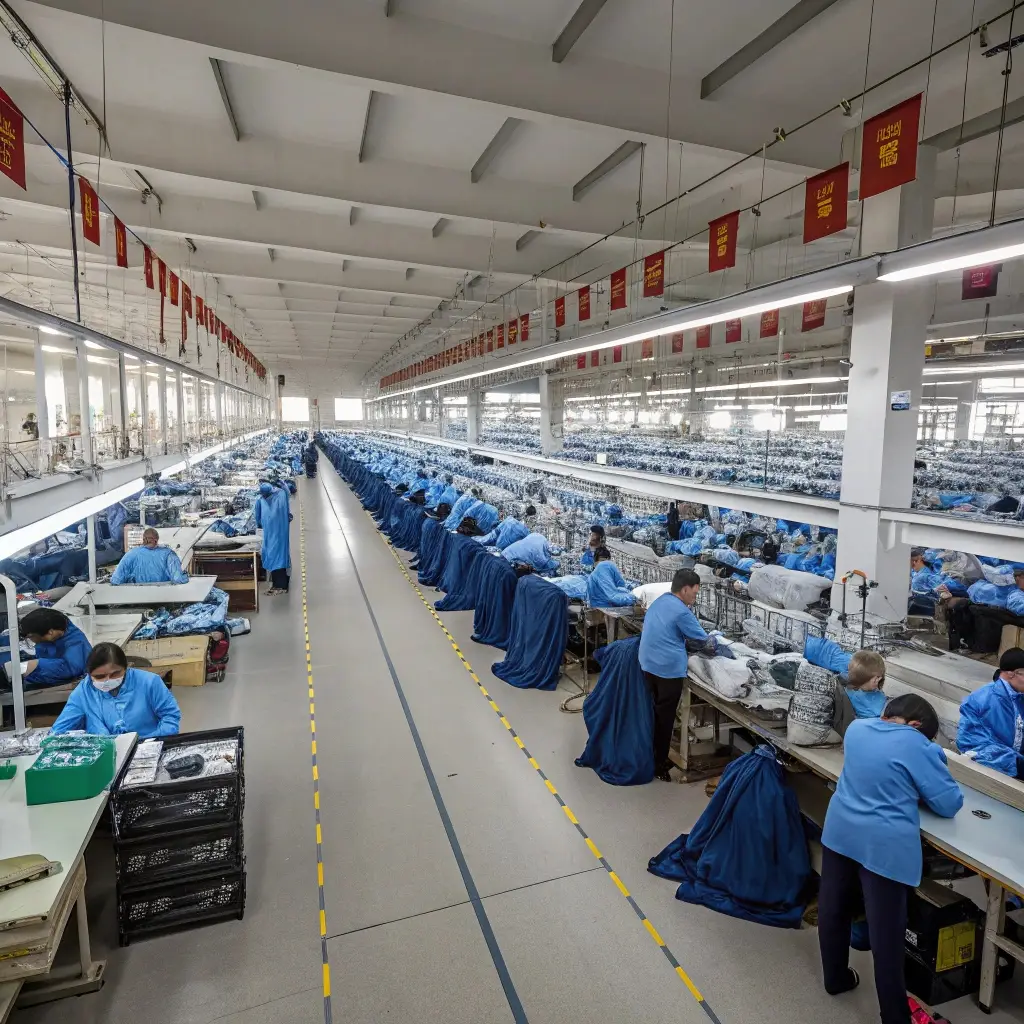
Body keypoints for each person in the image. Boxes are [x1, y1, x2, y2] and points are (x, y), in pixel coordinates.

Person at [818, 694, 963, 1024]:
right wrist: (931, 755)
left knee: (833, 909)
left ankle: (836, 979)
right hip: (883, 849)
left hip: (841, 832)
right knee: (887, 937)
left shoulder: (857, 729)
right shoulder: (916, 745)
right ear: (915, 726)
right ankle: (895, 1018)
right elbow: (949, 803)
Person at [638, 568, 710, 781]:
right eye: (695, 594)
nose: (695, 599)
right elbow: (703, 640)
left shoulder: (660, 601)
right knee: (665, 718)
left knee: (653, 712)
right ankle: (659, 764)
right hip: (667, 670)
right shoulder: (682, 611)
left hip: (648, 663)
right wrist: (718, 642)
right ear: (685, 589)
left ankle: (648, 752)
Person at [50, 642, 181, 739]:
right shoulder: (83, 693)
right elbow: (59, 730)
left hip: (148, 744)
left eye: (115, 674)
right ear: (89, 674)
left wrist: (154, 740)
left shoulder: (149, 682)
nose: (107, 680)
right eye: (99, 677)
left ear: (126, 667)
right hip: (105, 753)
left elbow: (170, 716)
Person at [956, 646, 1024, 777]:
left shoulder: (1020, 696)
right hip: (992, 771)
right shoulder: (979, 701)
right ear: (1011, 674)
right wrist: (1016, 763)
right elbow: (973, 746)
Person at [16, 608, 92, 689]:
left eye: (31, 636)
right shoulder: (53, 630)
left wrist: (37, 665)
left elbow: (69, 669)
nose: (32, 640)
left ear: (50, 632)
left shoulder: (76, 644)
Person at [110, 528, 189, 585]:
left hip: (137, 599)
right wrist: (185, 575)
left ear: (143, 539)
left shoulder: (131, 554)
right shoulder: (169, 554)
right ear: (157, 539)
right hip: (163, 598)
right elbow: (178, 579)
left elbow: (116, 580)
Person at [255, 480, 291, 595]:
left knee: (273, 557)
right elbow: (287, 492)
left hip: (270, 534)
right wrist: (282, 484)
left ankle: (280, 586)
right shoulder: (281, 496)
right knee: (280, 555)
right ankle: (282, 582)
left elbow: (258, 520)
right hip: (281, 533)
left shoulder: (261, 501)